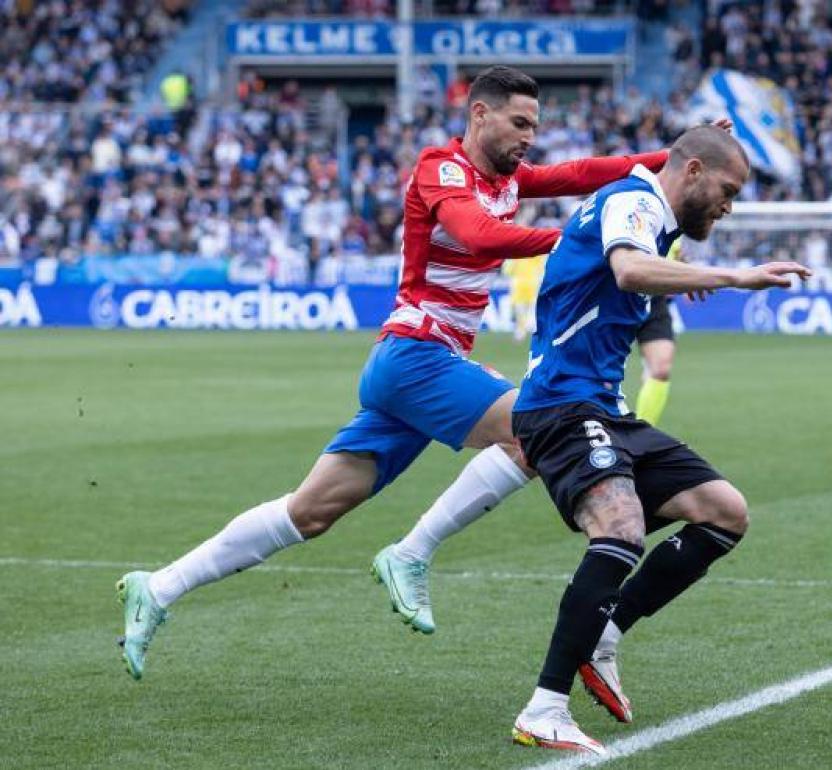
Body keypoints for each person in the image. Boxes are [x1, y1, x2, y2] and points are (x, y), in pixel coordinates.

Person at [114, 66, 674, 680]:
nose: (529, 138)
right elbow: (476, 234)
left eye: (535, 127)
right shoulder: (441, 167)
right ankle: (413, 552)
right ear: (478, 114)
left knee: (310, 512)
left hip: (421, 367)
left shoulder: (509, 179)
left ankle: (159, 587)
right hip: (415, 355)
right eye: (519, 123)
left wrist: (667, 159)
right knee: (535, 430)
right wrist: (577, 239)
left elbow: (583, 172)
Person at [508, 125, 811, 754]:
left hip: (604, 410)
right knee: (618, 528)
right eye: (727, 191)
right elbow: (626, 270)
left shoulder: (654, 216)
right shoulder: (634, 201)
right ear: (693, 170)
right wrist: (731, 276)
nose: (730, 206)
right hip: (560, 405)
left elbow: (639, 258)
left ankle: (607, 633)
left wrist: (681, 266)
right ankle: (544, 708)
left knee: (724, 512)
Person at [633, 236, 681, 424]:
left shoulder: (678, 222)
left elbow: (675, 255)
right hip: (619, 294)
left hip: (654, 297)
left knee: (660, 368)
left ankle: (642, 432)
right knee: (600, 373)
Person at [504, 250, 546, 341]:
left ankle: (521, 331)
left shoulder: (515, 253)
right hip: (530, 283)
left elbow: (507, 270)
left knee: (521, 309)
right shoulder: (536, 252)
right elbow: (542, 267)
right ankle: (524, 330)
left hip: (521, 284)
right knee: (527, 309)